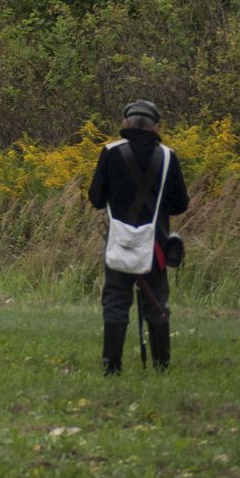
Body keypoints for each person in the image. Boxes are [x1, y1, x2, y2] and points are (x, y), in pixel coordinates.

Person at [88, 99, 189, 374]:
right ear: (155, 126)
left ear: (126, 123)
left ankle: (111, 367)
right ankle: (162, 366)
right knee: (156, 302)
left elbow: (96, 198)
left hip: (118, 241)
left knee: (116, 301)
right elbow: (181, 204)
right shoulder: (168, 156)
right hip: (156, 244)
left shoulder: (109, 152)